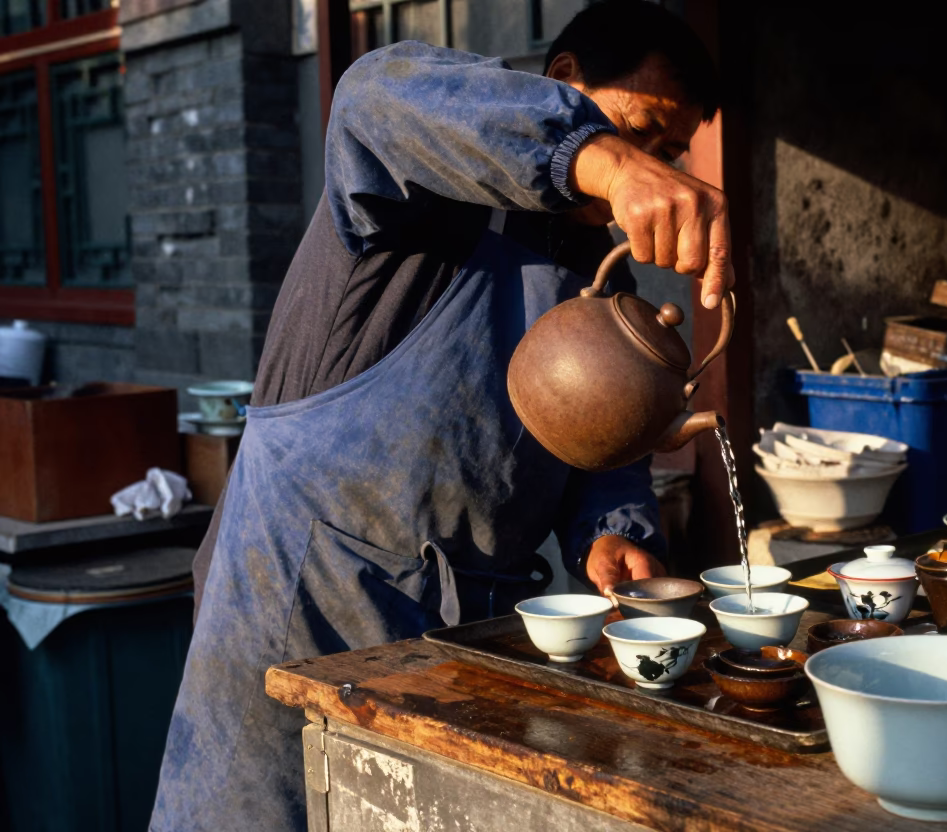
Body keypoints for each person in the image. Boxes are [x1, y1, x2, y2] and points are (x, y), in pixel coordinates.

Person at [150, 1, 731, 829]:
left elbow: (602, 456)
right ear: (565, 81)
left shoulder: (595, 285)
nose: (652, 167)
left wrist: (611, 531)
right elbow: (371, 92)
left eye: (669, 154)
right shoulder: (418, 199)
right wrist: (600, 160)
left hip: (468, 639)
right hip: (304, 602)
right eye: (640, 133)